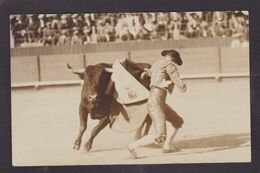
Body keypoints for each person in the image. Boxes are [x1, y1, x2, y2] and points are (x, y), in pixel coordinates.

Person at [127, 49, 187, 158]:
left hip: (156, 101)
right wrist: (181, 86)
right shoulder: (170, 65)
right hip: (156, 103)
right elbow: (175, 77)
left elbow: (144, 75)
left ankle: (167, 147)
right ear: (174, 59)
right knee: (160, 136)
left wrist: (152, 77)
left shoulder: (157, 64)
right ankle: (132, 146)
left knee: (177, 121)